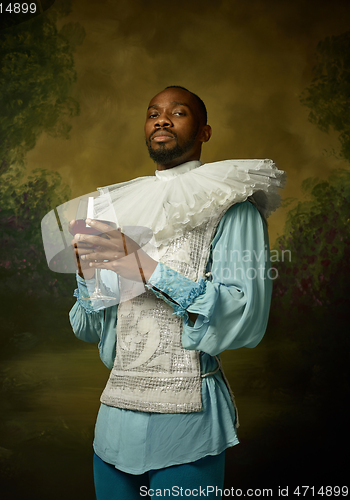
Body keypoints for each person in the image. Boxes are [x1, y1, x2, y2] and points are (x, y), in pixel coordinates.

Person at [69, 86, 285, 499]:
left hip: (187, 422)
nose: (162, 119)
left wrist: (147, 268)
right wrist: (87, 277)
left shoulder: (233, 206)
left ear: (204, 132)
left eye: (178, 112)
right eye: (153, 113)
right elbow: (89, 327)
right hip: (114, 420)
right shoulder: (118, 207)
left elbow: (243, 312)